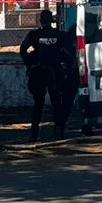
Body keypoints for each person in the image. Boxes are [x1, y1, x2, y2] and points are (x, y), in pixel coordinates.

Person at [20, 10, 69, 142]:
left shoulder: (35, 35)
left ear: (40, 21)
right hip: (55, 72)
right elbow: (70, 51)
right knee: (56, 102)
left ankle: (34, 134)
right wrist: (65, 65)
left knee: (38, 104)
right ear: (52, 21)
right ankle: (59, 131)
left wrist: (30, 63)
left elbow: (23, 49)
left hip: (39, 72)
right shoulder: (59, 35)